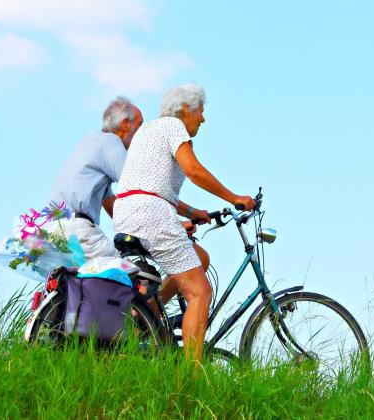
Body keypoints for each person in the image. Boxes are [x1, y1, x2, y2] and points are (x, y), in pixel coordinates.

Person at [113, 84, 256, 361]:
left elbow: (149, 185)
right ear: (186, 109)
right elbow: (194, 170)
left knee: (199, 258)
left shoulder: (148, 130)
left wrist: (191, 212)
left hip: (129, 212)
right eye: (201, 111)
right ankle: (191, 376)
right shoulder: (174, 126)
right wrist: (235, 198)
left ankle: (147, 317)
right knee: (200, 292)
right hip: (151, 215)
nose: (203, 118)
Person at [47, 96, 143, 259]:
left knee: (82, 276)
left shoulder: (91, 142)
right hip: (77, 230)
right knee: (128, 272)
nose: (142, 133)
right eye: (140, 125)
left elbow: (110, 203)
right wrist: (172, 224)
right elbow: (139, 186)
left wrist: (138, 229)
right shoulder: (111, 141)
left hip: (54, 230)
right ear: (126, 124)